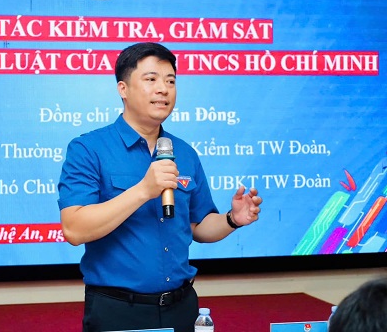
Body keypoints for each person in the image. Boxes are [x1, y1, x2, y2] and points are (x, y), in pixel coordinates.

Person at [57, 42, 263, 332]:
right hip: (119, 310)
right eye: (151, 79)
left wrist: (232, 219)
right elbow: (74, 229)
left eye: (170, 81)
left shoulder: (185, 153)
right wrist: (143, 190)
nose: (163, 89)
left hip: (182, 307)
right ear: (123, 89)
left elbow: (199, 226)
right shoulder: (89, 149)